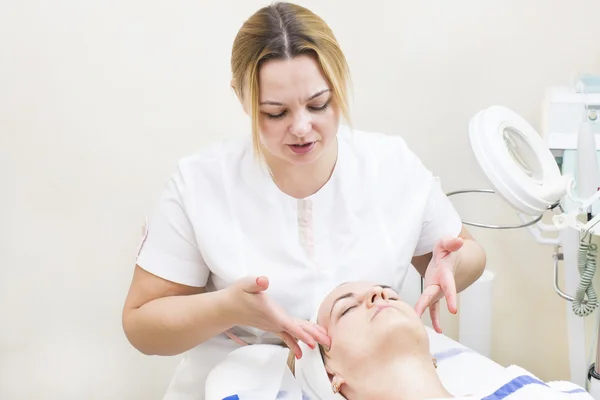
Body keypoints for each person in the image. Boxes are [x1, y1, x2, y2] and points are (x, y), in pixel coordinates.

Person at [121, 2, 487, 399]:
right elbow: (142, 326)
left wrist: (452, 265)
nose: (300, 128)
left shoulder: (390, 165)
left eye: (318, 105)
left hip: (370, 386)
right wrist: (230, 307)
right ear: (242, 98)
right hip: (241, 384)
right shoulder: (201, 183)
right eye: (275, 112)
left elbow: (465, 256)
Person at [292, 281, 595, 400]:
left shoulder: (534, 394)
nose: (379, 295)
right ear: (331, 374)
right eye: (346, 309)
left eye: (390, 293)